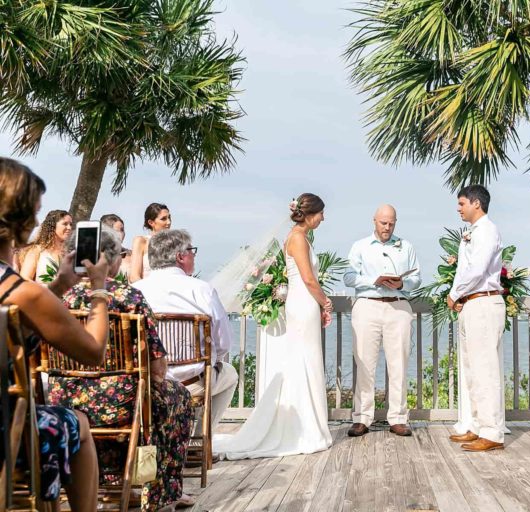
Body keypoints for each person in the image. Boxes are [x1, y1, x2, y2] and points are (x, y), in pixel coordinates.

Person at [51, 226, 194, 511]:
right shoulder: (131, 298)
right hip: (123, 405)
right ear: (112, 260)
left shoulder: (59, 299)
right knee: (177, 398)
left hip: (66, 403)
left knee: (149, 400)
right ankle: (161, 489)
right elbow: (156, 366)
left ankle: (102, 483)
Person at [0, 157, 110, 511]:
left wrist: (60, 284)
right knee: (75, 421)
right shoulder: (22, 292)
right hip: (7, 437)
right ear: (25, 218)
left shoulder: (23, 293)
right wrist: (98, 289)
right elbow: (92, 351)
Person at [213, 193, 333, 458]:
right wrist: (326, 303)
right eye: (322, 213)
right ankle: (303, 428)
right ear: (311, 213)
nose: (324, 218)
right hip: (303, 303)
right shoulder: (299, 238)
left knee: (304, 361)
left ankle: (306, 423)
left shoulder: (294, 237)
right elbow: (309, 279)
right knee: (305, 361)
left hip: (302, 304)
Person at [133, 229, 238, 437]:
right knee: (230, 374)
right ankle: (199, 439)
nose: (194, 255)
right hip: (192, 384)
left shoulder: (136, 291)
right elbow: (224, 342)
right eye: (192, 251)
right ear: (180, 256)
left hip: (146, 384)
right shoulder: (201, 290)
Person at [343, 204, 421, 437]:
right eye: (383, 223)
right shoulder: (360, 246)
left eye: (391, 223)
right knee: (365, 364)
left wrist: (402, 284)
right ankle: (362, 417)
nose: (387, 227)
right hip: (368, 305)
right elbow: (348, 277)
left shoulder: (405, 246)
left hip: (398, 306)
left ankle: (397, 418)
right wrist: (373, 280)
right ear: (374, 221)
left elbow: (416, 278)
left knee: (399, 364)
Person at [445, 185, 507, 452]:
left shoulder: (488, 230)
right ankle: (477, 425)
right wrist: (458, 297)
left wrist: (455, 292)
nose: (458, 209)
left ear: (476, 204)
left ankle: (492, 432)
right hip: (471, 303)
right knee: (471, 370)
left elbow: (478, 270)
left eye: (461, 204)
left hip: (483, 301)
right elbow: (464, 269)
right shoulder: (471, 233)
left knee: (485, 370)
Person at [18, 209, 72, 282]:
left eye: (70, 224)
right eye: (65, 224)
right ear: (52, 226)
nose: (69, 228)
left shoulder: (68, 254)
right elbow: (24, 279)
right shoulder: (37, 250)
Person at [130, 203, 171, 283]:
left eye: (169, 218)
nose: (169, 222)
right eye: (163, 219)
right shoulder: (141, 241)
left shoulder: (175, 244)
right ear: (151, 222)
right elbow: (134, 277)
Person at [101, 213, 131, 278]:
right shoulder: (97, 255)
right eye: (117, 231)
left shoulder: (130, 254)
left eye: (122, 230)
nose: (121, 234)